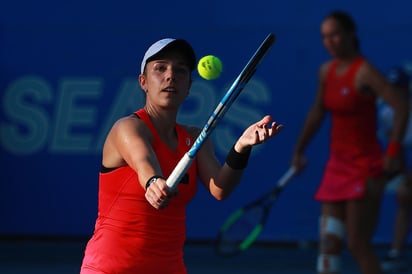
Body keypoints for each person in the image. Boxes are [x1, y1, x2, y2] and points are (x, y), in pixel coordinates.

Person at [79, 37, 283, 274]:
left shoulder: (195, 138)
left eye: (180, 70)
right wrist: (154, 182)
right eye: (160, 68)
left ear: (188, 87)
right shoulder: (127, 128)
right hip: (111, 268)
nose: (170, 76)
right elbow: (143, 160)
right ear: (143, 82)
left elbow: (220, 188)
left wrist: (241, 147)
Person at [290, 10, 409, 274]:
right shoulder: (326, 71)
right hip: (337, 166)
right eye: (325, 37)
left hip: (364, 167)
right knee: (329, 243)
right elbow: (317, 112)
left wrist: (392, 151)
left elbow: (402, 106)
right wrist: (299, 150)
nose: (329, 41)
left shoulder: (365, 71)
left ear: (350, 35)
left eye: (335, 35)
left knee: (357, 244)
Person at [378, 67, 412, 272]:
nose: (395, 92)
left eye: (399, 87)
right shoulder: (387, 113)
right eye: (392, 88)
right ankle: (396, 251)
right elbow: (394, 146)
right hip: (404, 161)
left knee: (404, 194)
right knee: (403, 196)